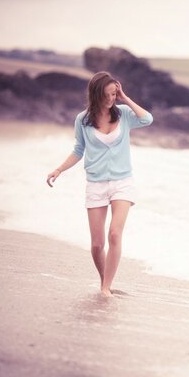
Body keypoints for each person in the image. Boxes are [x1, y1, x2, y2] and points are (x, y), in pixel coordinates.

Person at [46, 71, 153, 297]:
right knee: (96, 245)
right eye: (108, 95)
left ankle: (105, 288)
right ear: (96, 95)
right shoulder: (82, 120)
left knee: (114, 234)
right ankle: (106, 282)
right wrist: (59, 169)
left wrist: (126, 98)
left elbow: (147, 119)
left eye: (114, 94)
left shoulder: (123, 113)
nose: (111, 99)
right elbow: (78, 150)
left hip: (122, 182)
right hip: (95, 184)